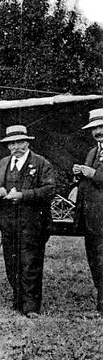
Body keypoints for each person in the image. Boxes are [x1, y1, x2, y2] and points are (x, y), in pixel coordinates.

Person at [0, 125, 55, 317]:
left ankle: (31, 306)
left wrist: (24, 195)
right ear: (7, 146)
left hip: (33, 222)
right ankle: (18, 300)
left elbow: (49, 189)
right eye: (12, 143)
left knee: (30, 263)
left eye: (20, 142)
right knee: (12, 262)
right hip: (8, 221)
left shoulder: (41, 163)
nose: (16, 146)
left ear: (27, 142)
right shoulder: (3, 163)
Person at [73, 108, 103, 316]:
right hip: (93, 217)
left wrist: (93, 173)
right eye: (95, 128)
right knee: (95, 260)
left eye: (101, 127)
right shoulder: (93, 152)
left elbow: (97, 177)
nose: (98, 131)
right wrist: (80, 176)